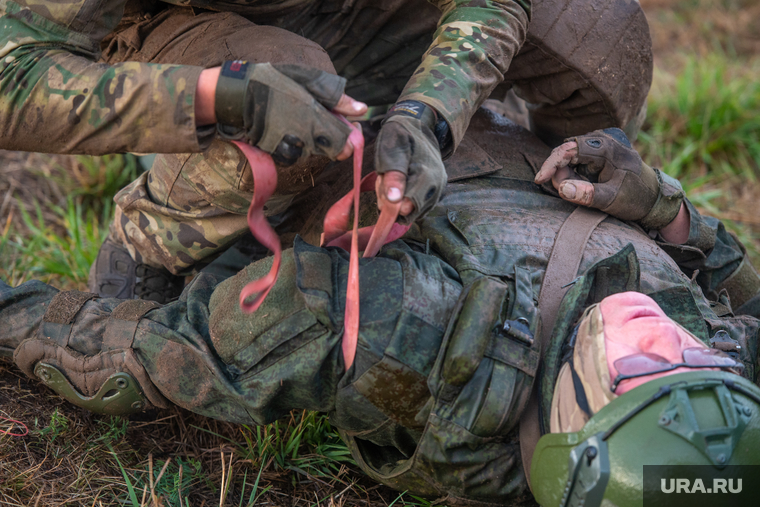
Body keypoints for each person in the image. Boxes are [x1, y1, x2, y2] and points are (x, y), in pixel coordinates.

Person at [4, 111, 759, 506]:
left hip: (343, 135)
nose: (667, 334)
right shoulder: (713, 405)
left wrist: (17, 316)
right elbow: (740, 299)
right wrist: (667, 211)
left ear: (576, 425)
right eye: (706, 359)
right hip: (523, 125)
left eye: (644, 369)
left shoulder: (425, 341)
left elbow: (147, 356)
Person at [0, 0, 654, 302]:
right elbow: (12, 78)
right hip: (190, 30)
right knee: (283, 94)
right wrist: (215, 97)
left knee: (600, 34)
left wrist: (432, 112)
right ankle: (151, 235)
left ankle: (518, 177)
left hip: (365, 13)